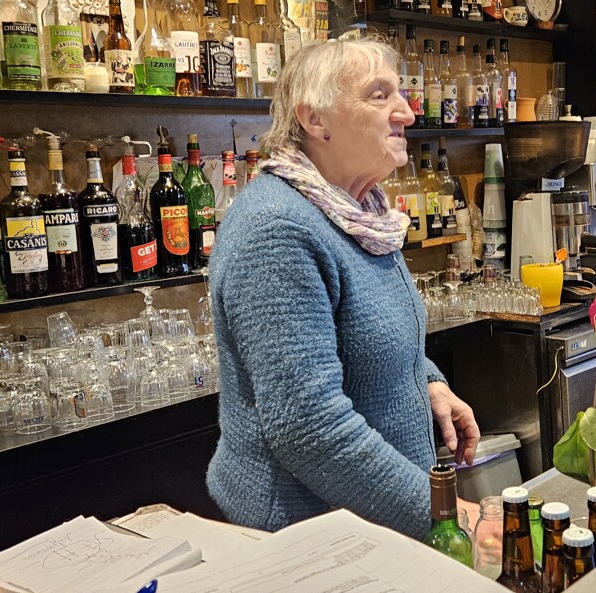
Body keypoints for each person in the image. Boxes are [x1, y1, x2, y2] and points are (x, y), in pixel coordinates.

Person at [206, 38, 480, 538]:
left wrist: (429, 380)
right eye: (380, 96)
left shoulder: (361, 212)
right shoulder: (277, 228)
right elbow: (309, 429)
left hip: (371, 526)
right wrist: (450, 518)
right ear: (315, 120)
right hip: (306, 538)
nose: (407, 113)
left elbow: (376, 336)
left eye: (401, 94)